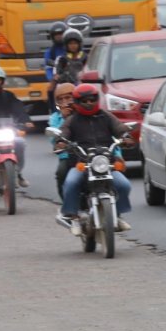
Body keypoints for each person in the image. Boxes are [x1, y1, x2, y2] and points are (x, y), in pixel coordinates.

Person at [57, 83, 134, 234]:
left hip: (106, 163)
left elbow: (119, 128)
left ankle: (116, 215)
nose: (89, 103)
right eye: (84, 101)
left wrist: (126, 137)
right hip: (82, 163)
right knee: (71, 182)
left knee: (124, 185)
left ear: (97, 99)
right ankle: (73, 216)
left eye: (92, 99)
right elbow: (64, 132)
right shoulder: (72, 120)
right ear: (78, 102)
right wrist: (61, 142)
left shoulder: (106, 116)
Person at [48, 82, 76, 201]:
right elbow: (54, 138)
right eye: (61, 99)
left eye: (68, 97)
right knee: (61, 172)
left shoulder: (83, 112)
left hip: (88, 152)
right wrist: (65, 118)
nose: (65, 102)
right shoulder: (55, 118)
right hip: (68, 154)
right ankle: (66, 203)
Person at [48, 28, 86, 95]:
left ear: (79, 44)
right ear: (66, 45)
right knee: (50, 92)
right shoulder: (62, 59)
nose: (73, 46)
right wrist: (57, 78)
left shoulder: (85, 57)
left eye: (75, 43)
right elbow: (56, 75)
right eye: (70, 44)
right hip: (66, 90)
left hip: (83, 90)